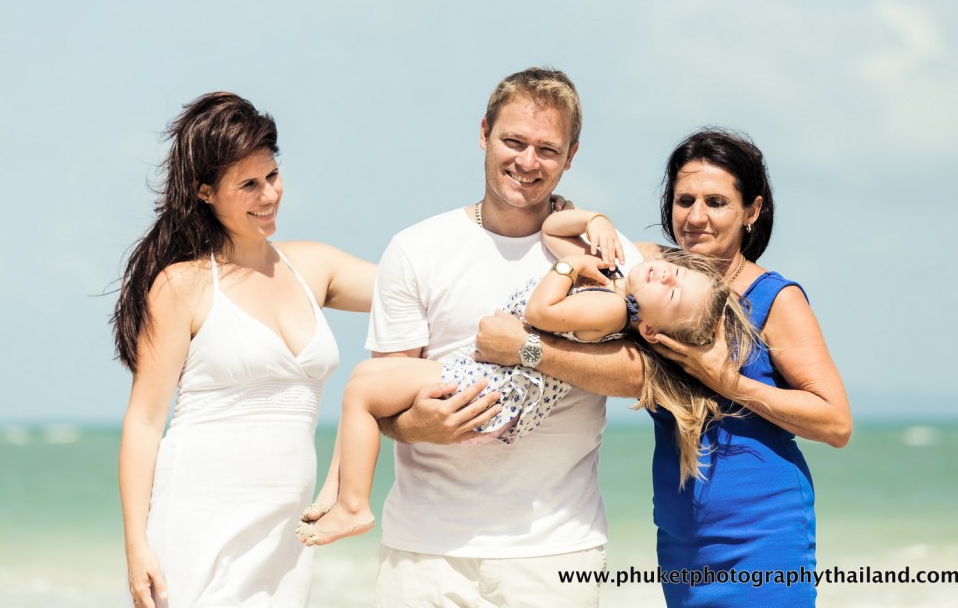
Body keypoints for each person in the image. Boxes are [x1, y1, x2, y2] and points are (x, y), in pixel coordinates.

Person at [296, 210, 759, 547]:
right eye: (675, 271)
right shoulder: (615, 278)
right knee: (366, 380)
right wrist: (594, 220)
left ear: (652, 329)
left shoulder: (612, 306)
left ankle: (354, 505)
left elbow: (542, 313)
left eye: (672, 292)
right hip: (486, 377)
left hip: (491, 388)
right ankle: (336, 493)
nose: (665, 274)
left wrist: (569, 268)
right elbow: (552, 230)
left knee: (362, 391)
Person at [366, 67, 647, 607]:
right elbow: (385, 393)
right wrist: (415, 425)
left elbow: (640, 376)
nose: (527, 161)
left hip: (557, 553)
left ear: (571, 157)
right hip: (426, 553)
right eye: (513, 141)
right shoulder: (416, 248)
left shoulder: (607, 255)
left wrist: (527, 350)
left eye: (547, 149)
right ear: (483, 133)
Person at [112, 92, 375, 608]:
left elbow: (421, 289)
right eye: (248, 185)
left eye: (272, 176)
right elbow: (144, 422)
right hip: (198, 514)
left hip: (286, 526)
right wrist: (136, 545)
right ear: (205, 191)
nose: (268, 195)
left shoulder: (313, 267)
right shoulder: (181, 285)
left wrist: (555, 238)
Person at [643, 128, 853, 606]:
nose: (695, 217)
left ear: (751, 211)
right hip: (683, 544)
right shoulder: (658, 294)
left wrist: (727, 381)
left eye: (716, 201)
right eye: (684, 200)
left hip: (763, 541)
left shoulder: (775, 299)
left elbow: (836, 422)